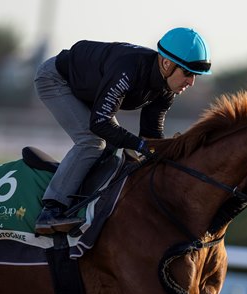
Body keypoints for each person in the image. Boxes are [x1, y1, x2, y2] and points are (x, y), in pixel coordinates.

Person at [34, 27, 212, 235]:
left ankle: (83, 200)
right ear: (166, 63)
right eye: (188, 73)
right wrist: (139, 145)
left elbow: (151, 135)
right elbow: (100, 123)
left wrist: (167, 153)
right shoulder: (128, 69)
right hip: (56, 79)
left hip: (88, 88)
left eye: (196, 76)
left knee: (112, 146)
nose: (191, 82)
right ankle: (51, 210)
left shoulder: (166, 89)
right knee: (93, 142)